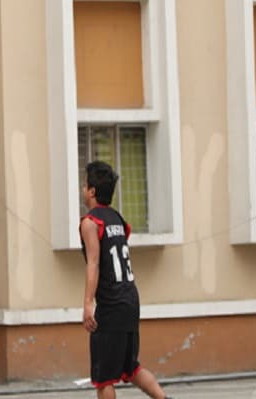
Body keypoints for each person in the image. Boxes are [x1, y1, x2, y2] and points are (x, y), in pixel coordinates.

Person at [80, 161, 170, 399]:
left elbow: (94, 263)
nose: (82, 189)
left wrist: (88, 303)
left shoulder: (90, 222)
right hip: (130, 300)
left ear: (91, 191)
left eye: (84, 184)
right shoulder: (117, 219)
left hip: (111, 305)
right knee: (131, 369)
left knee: (104, 379)